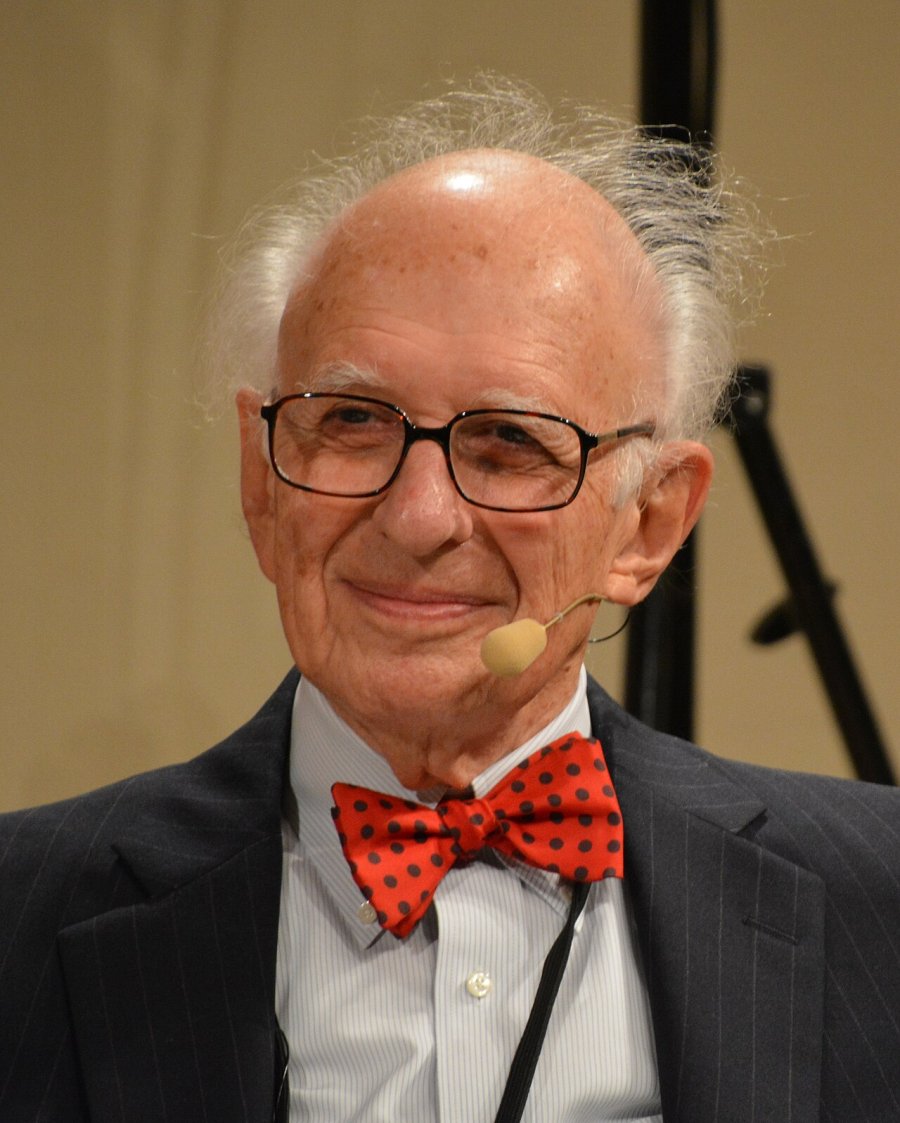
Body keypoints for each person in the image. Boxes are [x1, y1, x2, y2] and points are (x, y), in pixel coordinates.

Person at [1, 79, 898, 1123]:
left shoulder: (879, 904)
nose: (418, 516)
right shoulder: (20, 916)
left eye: (510, 441)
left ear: (649, 525)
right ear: (261, 479)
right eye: (352, 419)